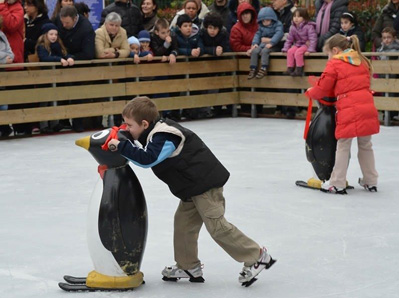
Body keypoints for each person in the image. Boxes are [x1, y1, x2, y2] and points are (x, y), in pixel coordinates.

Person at [106, 96, 276, 285]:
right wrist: (127, 139)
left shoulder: (166, 135)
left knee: (217, 226)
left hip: (205, 186)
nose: (125, 128)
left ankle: (256, 256)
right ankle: (188, 266)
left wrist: (121, 146)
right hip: (191, 188)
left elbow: (148, 159)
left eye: (129, 125)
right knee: (183, 224)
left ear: (144, 124)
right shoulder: (154, 132)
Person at [305, 34, 379, 194]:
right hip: (367, 106)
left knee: (343, 145)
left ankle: (337, 182)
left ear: (335, 50)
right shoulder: (362, 61)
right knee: (366, 145)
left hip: (349, 109)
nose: (328, 57)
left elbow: (323, 87)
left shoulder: (336, 63)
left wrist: (311, 92)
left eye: (328, 54)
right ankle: (371, 180)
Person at [35, 23, 73, 134]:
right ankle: (44, 124)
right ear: (45, 35)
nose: (54, 36)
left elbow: (65, 54)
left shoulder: (57, 46)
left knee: (55, 99)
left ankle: (55, 122)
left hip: (56, 78)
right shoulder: (41, 46)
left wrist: (69, 57)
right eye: (51, 34)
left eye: (55, 34)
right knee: (45, 101)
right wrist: (59, 59)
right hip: (45, 78)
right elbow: (45, 58)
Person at [248, 7, 283, 79]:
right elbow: (257, 35)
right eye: (263, 21)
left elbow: (279, 34)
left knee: (265, 51)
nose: (265, 22)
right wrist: (255, 43)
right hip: (262, 44)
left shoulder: (278, 25)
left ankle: (264, 68)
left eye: (267, 20)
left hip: (274, 45)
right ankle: (253, 68)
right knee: (254, 51)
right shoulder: (261, 27)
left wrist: (272, 42)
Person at [281, 7, 317, 77]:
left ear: (304, 17)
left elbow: (313, 39)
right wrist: (285, 49)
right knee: (290, 51)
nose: (296, 18)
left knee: (298, 52)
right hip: (298, 44)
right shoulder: (292, 27)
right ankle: (290, 68)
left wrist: (310, 50)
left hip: (306, 45)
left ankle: (299, 69)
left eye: (299, 16)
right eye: (294, 16)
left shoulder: (309, 27)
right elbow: (289, 39)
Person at [0, 14, 14, 137]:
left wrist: (3, 59)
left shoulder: (2, 36)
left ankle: (4, 127)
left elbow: (11, 54)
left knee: (3, 103)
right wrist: (4, 58)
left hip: (2, 77)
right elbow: (6, 55)